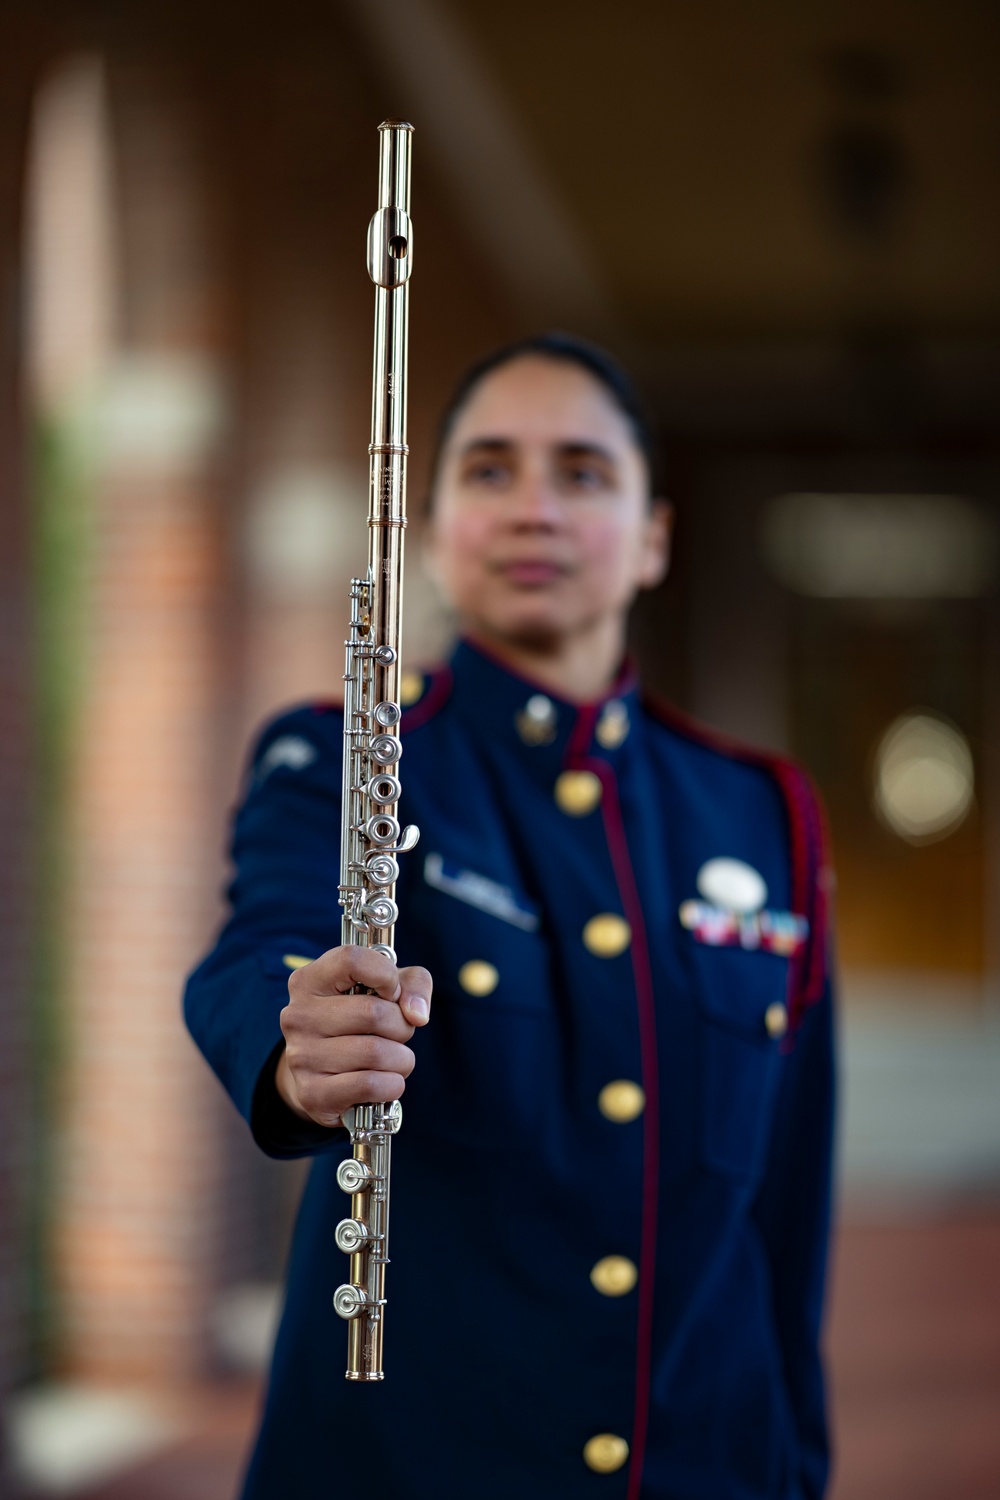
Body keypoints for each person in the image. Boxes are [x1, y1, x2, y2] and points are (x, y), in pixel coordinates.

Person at [185, 333, 835, 1500]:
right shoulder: (340, 755)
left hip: (709, 1462)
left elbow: (788, 1207)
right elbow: (260, 945)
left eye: (582, 472)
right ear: (431, 532)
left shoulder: (762, 814)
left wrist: (795, 1462)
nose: (533, 506)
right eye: (489, 470)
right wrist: (295, 1048)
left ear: (653, 539)